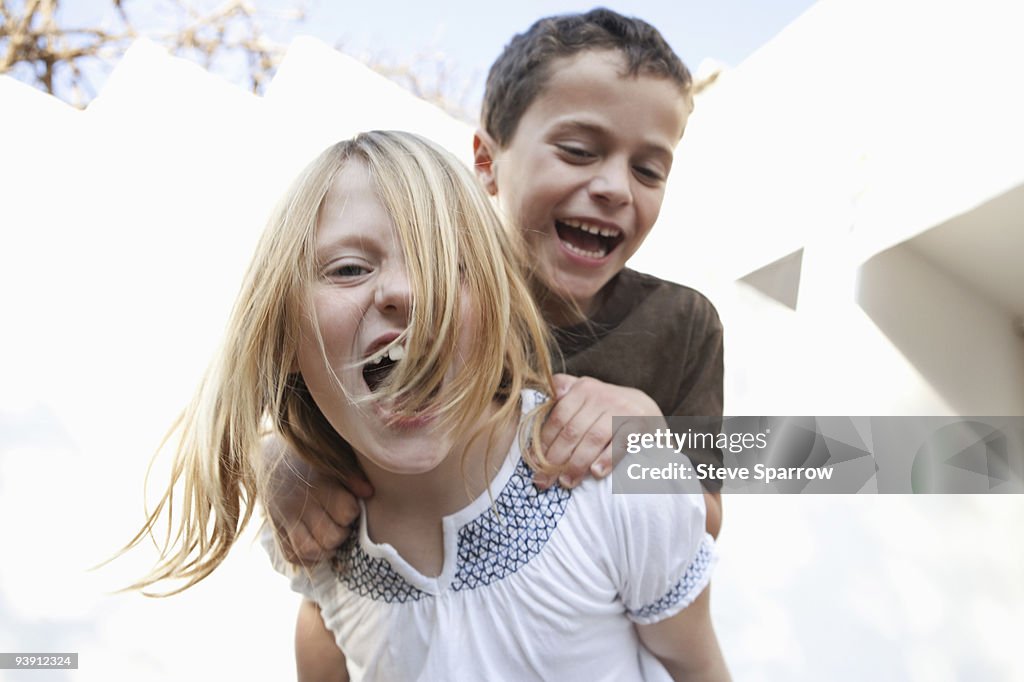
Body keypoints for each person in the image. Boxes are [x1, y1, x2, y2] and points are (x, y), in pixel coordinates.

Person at [127, 131, 729, 681]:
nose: (407, 291)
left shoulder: (670, 360)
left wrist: (656, 439)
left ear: (498, 304)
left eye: (450, 265)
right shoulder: (313, 539)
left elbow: (799, 465)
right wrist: (280, 452)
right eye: (349, 268)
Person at [269, 7, 725, 570]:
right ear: (487, 160)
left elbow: (708, 520)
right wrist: (284, 460)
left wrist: (644, 440)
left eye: (649, 171)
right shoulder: (427, 300)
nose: (614, 188)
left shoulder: (685, 322)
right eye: (579, 151)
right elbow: (299, 397)